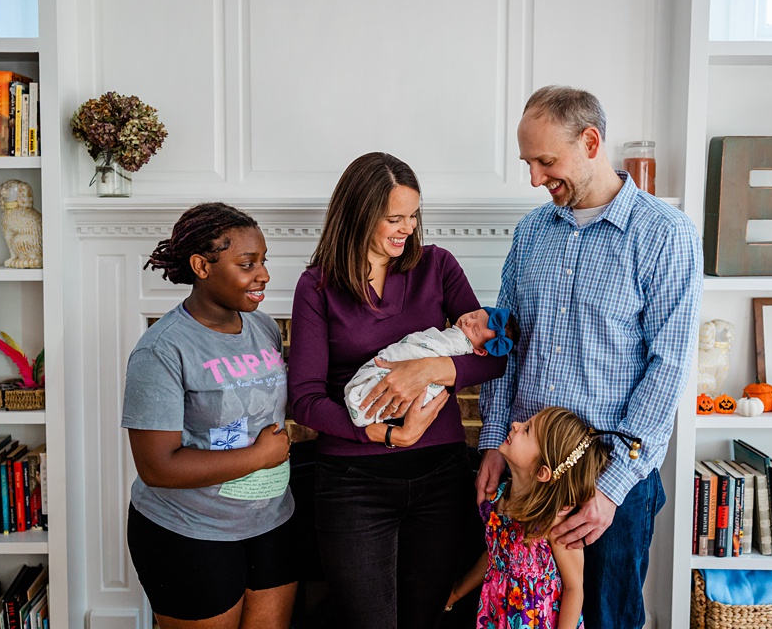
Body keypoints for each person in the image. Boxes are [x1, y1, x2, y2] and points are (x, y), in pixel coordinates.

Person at [475, 86, 703, 629]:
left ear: (591, 141)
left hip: (609, 482)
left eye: (546, 161)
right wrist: (492, 443)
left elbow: (667, 368)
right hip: (529, 476)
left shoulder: (666, 235)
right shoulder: (531, 233)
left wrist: (612, 489)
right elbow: (504, 343)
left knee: (605, 617)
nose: (534, 179)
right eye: (529, 162)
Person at [288, 152, 507, 629]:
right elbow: (303, 397)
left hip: (440, 480)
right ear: (359, 213)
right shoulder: (317, 286)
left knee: (425, 618)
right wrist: (381, 436)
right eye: (394, 217)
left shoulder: (438, 266)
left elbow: (496, 356)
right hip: (353, 486)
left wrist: (433, 367)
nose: (407, 227)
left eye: (413, 215)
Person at [122, 203, 297, 629]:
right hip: (189, 532)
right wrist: (260, 456)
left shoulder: (263, 328)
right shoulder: (161, 350)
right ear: (202, 265)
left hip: (272, 522)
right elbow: (157, 466)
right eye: (247, 263)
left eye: (263, 261)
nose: (264, 275)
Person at [447, 407, 642, 629]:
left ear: (542, 472)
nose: (515, 425)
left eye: (527, 430)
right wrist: (455, 592)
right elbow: (494, 557)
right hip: (498, 616)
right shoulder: (498, 500)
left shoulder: (553, 521)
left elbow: (574, 588)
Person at [345, 306, 519, 426]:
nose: (467, 321)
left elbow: (495, 366)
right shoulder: (454, 331)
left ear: (480, 351)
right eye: (473, 315)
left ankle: (364, 403)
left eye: (474, 330)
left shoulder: (458, 345)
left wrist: (427, 369)